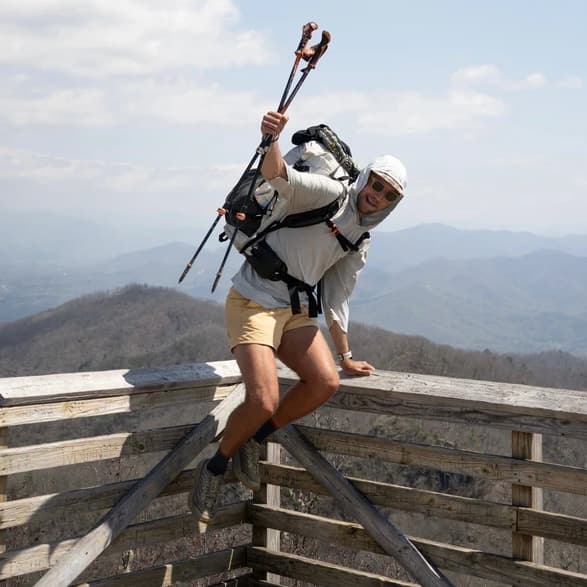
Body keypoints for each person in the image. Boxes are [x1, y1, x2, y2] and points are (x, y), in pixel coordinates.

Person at [189, 111, 407, 529]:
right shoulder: (330, 194)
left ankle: (254, 438)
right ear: (366, 179)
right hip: (253, 299)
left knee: (324, 383)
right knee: (262, 399)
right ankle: (214, 468)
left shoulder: (359, 239)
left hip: (294, 310)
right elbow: (280, 176)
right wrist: (272, 138)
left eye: (388, 194)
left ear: (393, 204)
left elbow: (338, 297)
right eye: (376, 184)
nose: (377, 195)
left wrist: (346, 356)